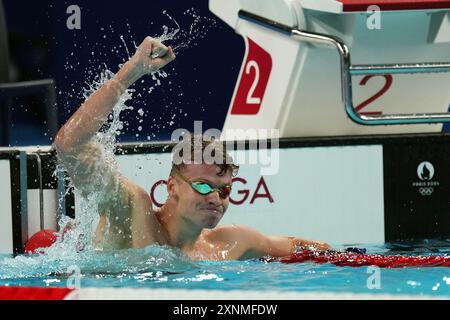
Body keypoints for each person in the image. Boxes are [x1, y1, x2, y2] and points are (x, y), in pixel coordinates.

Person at [54, 37, 331, 260]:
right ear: (171, 186)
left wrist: (351, 258)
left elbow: (299, 246)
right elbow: (69, 144)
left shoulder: (229, 245)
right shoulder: (131, 208)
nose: (215, 198)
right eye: (202, 185)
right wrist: (132, 71)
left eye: (224, 190)